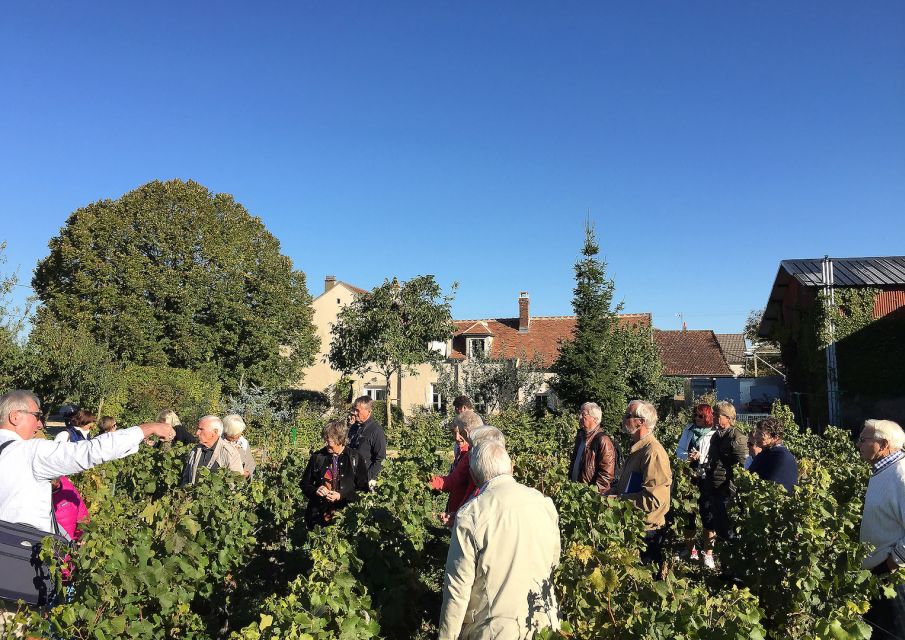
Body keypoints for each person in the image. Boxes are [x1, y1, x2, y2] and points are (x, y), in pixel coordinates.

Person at [0, 390, 175, 533]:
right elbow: (91, 451)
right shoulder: (29, 452)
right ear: (15, 417)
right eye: (37, 416)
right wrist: (148, 428)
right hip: (19, 554)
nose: (39, 424)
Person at [438, 441, 560, 639]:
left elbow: (457, 589)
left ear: (475, 476)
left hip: (494, 629)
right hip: (542, 622)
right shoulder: (543, 503)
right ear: (511, 468)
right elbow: (553, 562)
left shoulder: (471, 514)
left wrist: (446, 637)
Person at [858, 419, 905, 640]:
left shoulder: (901, 476)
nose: (858, 444)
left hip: (895, 580)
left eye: (863, 440)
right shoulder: (883, 471)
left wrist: (890, 563)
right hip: (880, 573)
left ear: (883, 444)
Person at [614, 400, 672, 566]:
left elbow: (655, 500)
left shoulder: (652, 452)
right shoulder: (638, 449)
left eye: (628, 416)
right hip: (635, 526)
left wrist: (618, 501)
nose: (624, 419)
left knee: (646, 581)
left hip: (647, 532)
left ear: (641, 422)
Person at [698, 401, 748, 569]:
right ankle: (720, 562)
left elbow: (743, 466)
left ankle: (733, 565)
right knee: (713, 522)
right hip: (712, 485)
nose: (715, 418)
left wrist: (736, 488)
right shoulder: (716, 435)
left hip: (726, 489)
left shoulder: (737, 437)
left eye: (718, 415)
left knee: (728, 529)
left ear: (728, 418)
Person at [301, 420, 369, 527]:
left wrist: (341, 495)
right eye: (325, 440)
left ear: (340, 439)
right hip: (318, 516)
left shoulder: (355, 458)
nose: (326, 444)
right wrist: (316, 490)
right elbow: (304, 484)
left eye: (329, 441)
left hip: (346, 517)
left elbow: (363, 489)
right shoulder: (318, 457)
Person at [675, 404, 715, 562]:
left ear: (707, 417)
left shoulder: (714, 433)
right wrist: (688, 457)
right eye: (695, 416)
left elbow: (714, 456)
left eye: (700, 416)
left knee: (707, 514)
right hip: (689, 477)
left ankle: (708, 554)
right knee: (689, 513)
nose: (697, 419)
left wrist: (702, 456)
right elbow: (679, 450)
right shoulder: (688, 430)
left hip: (705, 477)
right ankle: (690, 549)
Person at [429, 412, 482, 525]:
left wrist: (428, 480)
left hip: (471, 518)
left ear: (467, 433)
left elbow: (453, 481)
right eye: (454, 433)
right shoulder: (481, 451)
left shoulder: (471, 455)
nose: (457, 437)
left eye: (460, 433)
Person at [179, 416, 244, 486]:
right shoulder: (195, 451)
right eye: (198, 429)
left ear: (214, 432)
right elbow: (186, 477)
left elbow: (236, 484)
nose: (197, 433)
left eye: (201, 429)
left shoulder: (230, 453)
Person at [568, 402, 617, 495]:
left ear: (595, 419)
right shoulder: (581, 437)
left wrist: (593, 494)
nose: (580, 417)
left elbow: (606, 475)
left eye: (583, 414)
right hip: (576, 491)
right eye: (580, 414)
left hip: (589, 496)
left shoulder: (602, 440)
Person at [747, 417, 798, 492]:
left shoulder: (770, 455)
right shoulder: (786, 454)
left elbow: (748, 477)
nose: (755, 436)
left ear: (775, 437)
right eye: (756, 432)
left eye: (760, 434)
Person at [347, 396, 387, 485]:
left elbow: (380, 459)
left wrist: (367, 477)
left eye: (358, 410)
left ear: (368, 411)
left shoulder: (376, 431)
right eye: (354, 410)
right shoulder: (354, 427)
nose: (354, 413)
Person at [51, 476, 89, 541]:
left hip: (71, 543)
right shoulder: (36, 494)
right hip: (49, 544)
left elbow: (82, 515)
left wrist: (82, 537)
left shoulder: (66, 485)